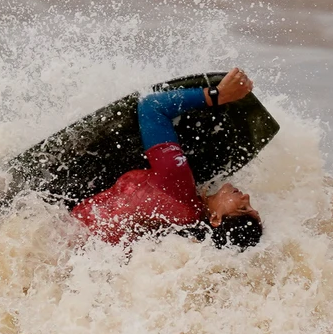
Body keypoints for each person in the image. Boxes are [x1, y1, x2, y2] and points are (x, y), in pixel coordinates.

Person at [69, 68, 263, 250]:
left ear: (215, 219)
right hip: (86, 257)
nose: (246, 197)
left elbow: (152, 107)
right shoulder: (180, 234)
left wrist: (217, 95)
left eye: (243, 208)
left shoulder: (176, 184)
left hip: (67, 231)